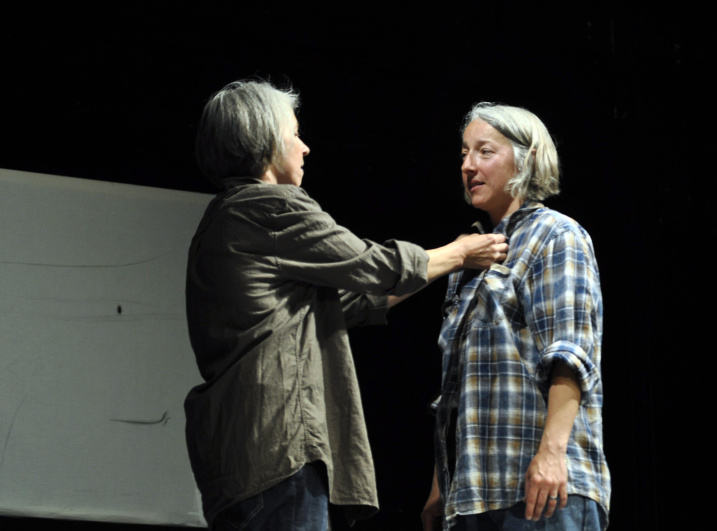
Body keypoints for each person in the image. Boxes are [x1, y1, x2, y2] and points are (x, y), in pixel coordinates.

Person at [183, 79, 508, 531]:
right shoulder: (269, 207)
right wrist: (458, 252)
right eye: (295, 133)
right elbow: (373, 266)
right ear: (266, 140)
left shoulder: (223, 220)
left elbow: (351, 301)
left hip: (240, 463)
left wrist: (443, 265)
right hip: (279, 452)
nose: (305, 147)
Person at [421, 103, 610, 530]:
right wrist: (443, 482)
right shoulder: (471, 258)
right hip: (475, 495)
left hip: (543, 490)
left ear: (526, 159)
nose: (468, 165)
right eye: (464, 153)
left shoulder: (555, 234)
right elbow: (457, 385)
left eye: (484, 151)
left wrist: (552, 453)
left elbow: (570, 352)